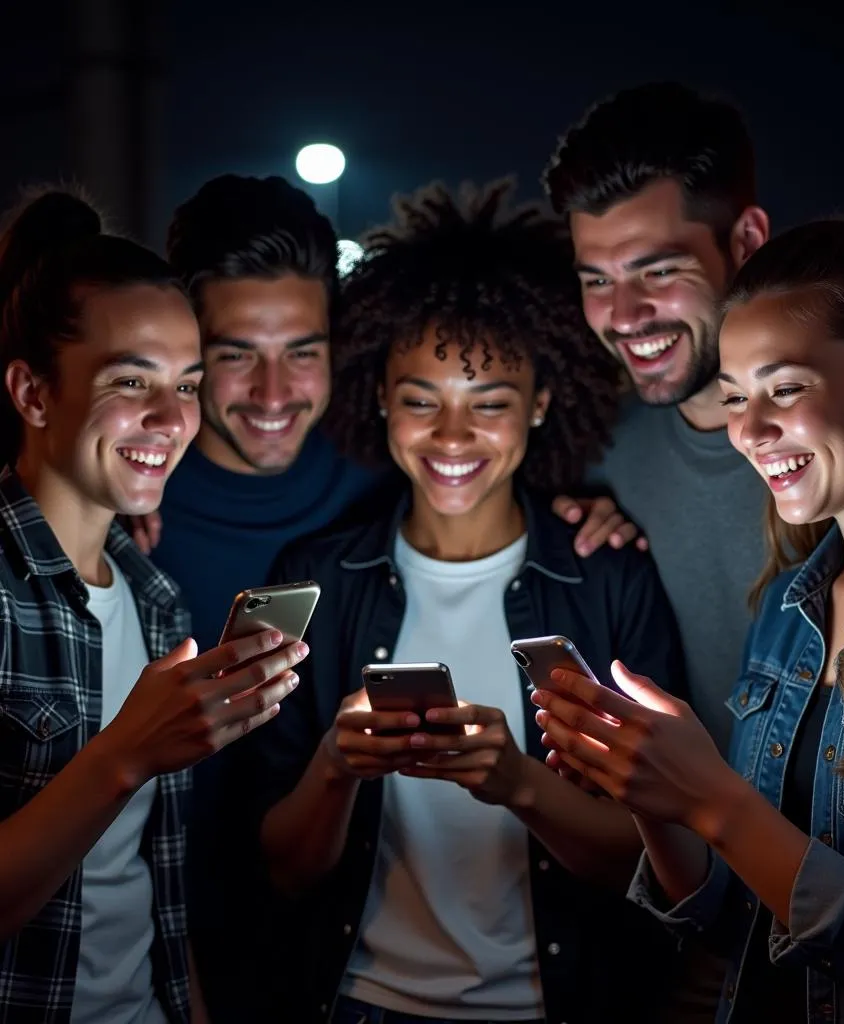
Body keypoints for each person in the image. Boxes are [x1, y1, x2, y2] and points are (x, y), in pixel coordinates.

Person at [533, 192, 844, 1022]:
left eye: (785, 388)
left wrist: (712, 799)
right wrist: (659, 801)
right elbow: (736, 916)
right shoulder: (793, 605)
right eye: (732, 397)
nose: (750, 430)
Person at [248, 180, 685, 1024]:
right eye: (421, 401)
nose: (452, 439)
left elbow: (659, 862)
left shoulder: (610, 578)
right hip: (357, 1004)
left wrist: (520, 784)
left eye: (490, 404)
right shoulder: (308, 580)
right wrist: (336, 766)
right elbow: (280, 869)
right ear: (378, 396)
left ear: (541, 406)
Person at [0, 190, 306, 1023]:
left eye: (188, 384)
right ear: (32, 394)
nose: (172, 419)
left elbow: (150, 893)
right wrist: (124, 754)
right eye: (130, 379)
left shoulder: (157, 598)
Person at [126, 175, 384, 1019]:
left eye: (302, 352)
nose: (274, 396)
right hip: (151, 955)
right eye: (236, 355)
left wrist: (579, 504)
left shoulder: (390, 482)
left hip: (339, 956)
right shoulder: (124, 500)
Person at [543, 81, 770, 758]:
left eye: (658, 270)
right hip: (690, 857)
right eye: (597, 280)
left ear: (747, 240)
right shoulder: (600, 453)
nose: (624, 314)